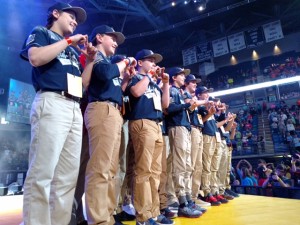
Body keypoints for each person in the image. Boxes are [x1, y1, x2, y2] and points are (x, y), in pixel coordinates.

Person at [19, 3, 96, 225]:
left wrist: (89, 61)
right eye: (71, 16)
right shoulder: (41, 32)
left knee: (66, 178)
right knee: (41, 174)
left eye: (76, 19)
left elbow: (82, 86)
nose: (75, 21)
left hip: (73, 106)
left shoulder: (71, 50)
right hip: (51, 101)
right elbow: (35, 58)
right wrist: (69, 41)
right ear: (55, 13)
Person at [84, 25, 136, 225]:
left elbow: (116, 90)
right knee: (100, 168)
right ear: (99, 37)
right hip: (101, 109)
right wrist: (125, 61)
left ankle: (107, 216)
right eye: (112, 38)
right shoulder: (96, 56)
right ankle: (98, 220)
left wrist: (125, 80)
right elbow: (105, 75)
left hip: (113, 111)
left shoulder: (106, 62)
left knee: (111, 169)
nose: (116, 42)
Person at [126, 49, 172, 225]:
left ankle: (153, 212)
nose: (154, 63)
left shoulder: (152, 82)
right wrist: (150, 77)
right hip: (142, 122)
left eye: (155, 61)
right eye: (150, 60)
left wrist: (166, 83)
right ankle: (143, 216)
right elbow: (136, 93)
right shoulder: (136, 77)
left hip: (157, 124)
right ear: (139, 63)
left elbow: (165, 105)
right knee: (143, 171)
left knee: (155, 172)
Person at [166, 67, 202, 218]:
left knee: (187, 165)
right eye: (181, 75)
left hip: (185, 128)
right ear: (174, 77)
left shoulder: (179, 92)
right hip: (177, 127)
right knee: (181, 165)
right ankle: (182, 202)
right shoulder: (172, 90)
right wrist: (186, 105)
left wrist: (190, 106)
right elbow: (169, 108)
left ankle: (188, 200)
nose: (184, 77)